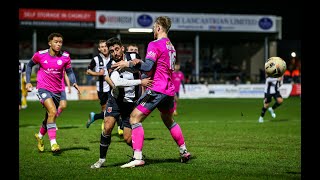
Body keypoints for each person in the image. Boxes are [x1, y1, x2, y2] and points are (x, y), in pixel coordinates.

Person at [112, 16, 191, 168]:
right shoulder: (171, 47)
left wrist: (128, 63)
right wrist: (139, 63)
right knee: (169, 120)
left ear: (159, 28)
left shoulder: (154, 44)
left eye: (154, 28)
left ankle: (137, 157)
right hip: (169, 91)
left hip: (157, 88)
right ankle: (184, 151)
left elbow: (148, 66)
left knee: (134, 118)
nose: (153, 31)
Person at [90, 37, 153, 169]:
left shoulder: (133, 56)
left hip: (131, 104)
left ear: (122, 48)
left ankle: (138, 154)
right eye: (112, 51)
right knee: (107, 127)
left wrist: (138, 64)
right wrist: (140, 82)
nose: (115, 53)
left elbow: (145, 67)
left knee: (127, 138)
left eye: (117, 49)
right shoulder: (111, 65)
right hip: (116, 101)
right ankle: (101, 160)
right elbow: (118, 83)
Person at [25, 32, 81, 153]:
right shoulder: (40, 55)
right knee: (53, 111)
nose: (58, 44)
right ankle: (54, 143)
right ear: (50, 43)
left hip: (57, 91)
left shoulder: (65, 56)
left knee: (50, 116)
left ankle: (40, 136)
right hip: (43, 88)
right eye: (56, 42)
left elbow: (70, 71)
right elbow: (29, 66)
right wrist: (28, 82)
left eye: (60, 42)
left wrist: (74, 82)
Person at [85, 40, 123, 136]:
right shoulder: (96, 59)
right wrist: (98, 74)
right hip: (101, 88)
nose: (104, 48)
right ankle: (101, 120)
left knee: (116, 105)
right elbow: (88, 71)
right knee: (105, 109)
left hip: (112, 86)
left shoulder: (113, 56)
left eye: (105, 46)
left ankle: (119, 127)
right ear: (99, 49)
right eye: (101, 47)